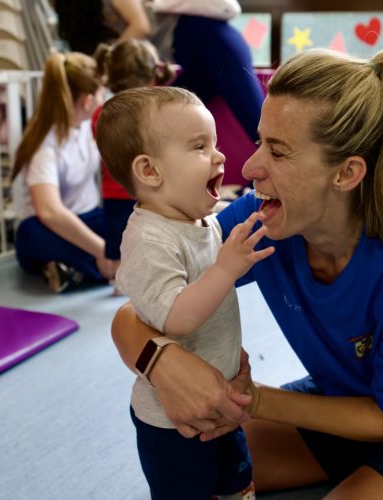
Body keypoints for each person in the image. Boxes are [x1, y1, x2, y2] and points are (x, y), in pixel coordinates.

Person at [111, 45, 383, 499]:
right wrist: (162, 363)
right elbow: (138, 311)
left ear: (346, 173)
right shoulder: (264, 220)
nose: (248, 168)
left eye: (279, 151)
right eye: (258, 142)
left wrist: (257, 399)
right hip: (348, 394)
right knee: (204, 463)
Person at [95, 86, 274, 499]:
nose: (220, 156)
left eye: (213, 143)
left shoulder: (201, 221)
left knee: (237, 482)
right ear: (150, 171)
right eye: (199, 146)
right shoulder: (149, 241)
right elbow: (174, 317)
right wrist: (227, 268)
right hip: (172, 424)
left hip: (223, 401)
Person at [54, 0, 264, 146]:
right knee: (166, 121)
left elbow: (141, 26)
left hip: (214, 43)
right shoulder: (84, 15)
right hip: (191, 56)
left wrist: (107, 61)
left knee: (258, 125)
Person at [11, 51, 118, 292]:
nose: (104, 98)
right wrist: (103, 250)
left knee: (129, 222)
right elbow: (49, 212)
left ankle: (76, 272)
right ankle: (108, 267)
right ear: (87, 100)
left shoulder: (85, 128)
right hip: (50, 227)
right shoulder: (45, 144)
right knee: (31, 234)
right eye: (101, 93)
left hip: (89, 218)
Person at [92, 39, 175, 268]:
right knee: (153, 247)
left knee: (120, 252)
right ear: (151, 76)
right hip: (153, 191)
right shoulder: (156, 110)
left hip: (114, 194)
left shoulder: (102, 113)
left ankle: (121, 289)